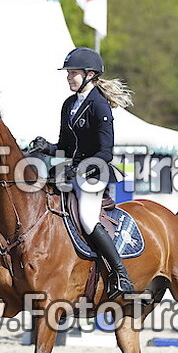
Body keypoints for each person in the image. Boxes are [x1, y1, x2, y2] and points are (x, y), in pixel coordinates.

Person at [30, 47, 134, 299]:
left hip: (94, 174)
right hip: (71, 171)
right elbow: (65, 147)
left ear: (89, 74)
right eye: (68, 73)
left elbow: (105, 152)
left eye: (73, 74)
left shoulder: (100, 106)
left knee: (87, 219)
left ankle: (121, 274)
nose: (68, 78)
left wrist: (82, 168)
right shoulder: (69, 105)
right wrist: (47, 147)